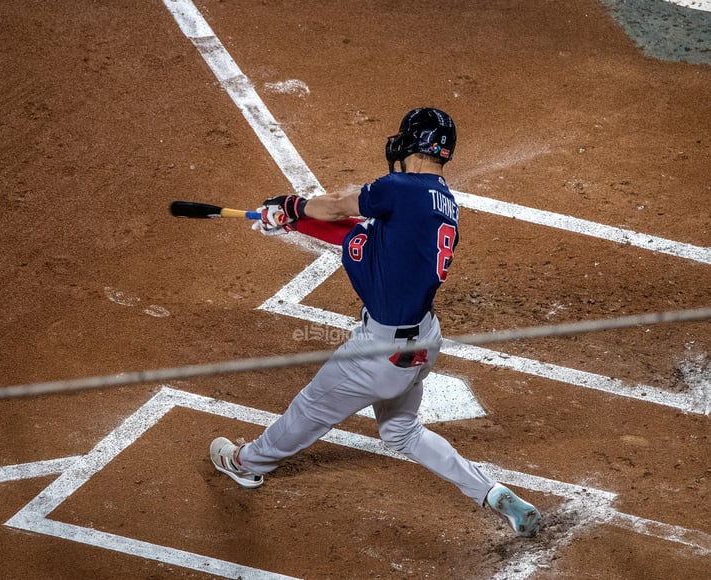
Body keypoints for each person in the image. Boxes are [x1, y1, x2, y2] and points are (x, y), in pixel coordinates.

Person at [209, 107, 542, 537]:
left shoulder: (399, 187)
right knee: (402, 431)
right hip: (424, 340)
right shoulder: (443, 204)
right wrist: (294, 221)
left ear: (414, 143)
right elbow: (359, 235)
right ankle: (491, 491)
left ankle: (245, 462)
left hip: (379, 351)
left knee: (311, 408)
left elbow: (335, 206)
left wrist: (291, 205)